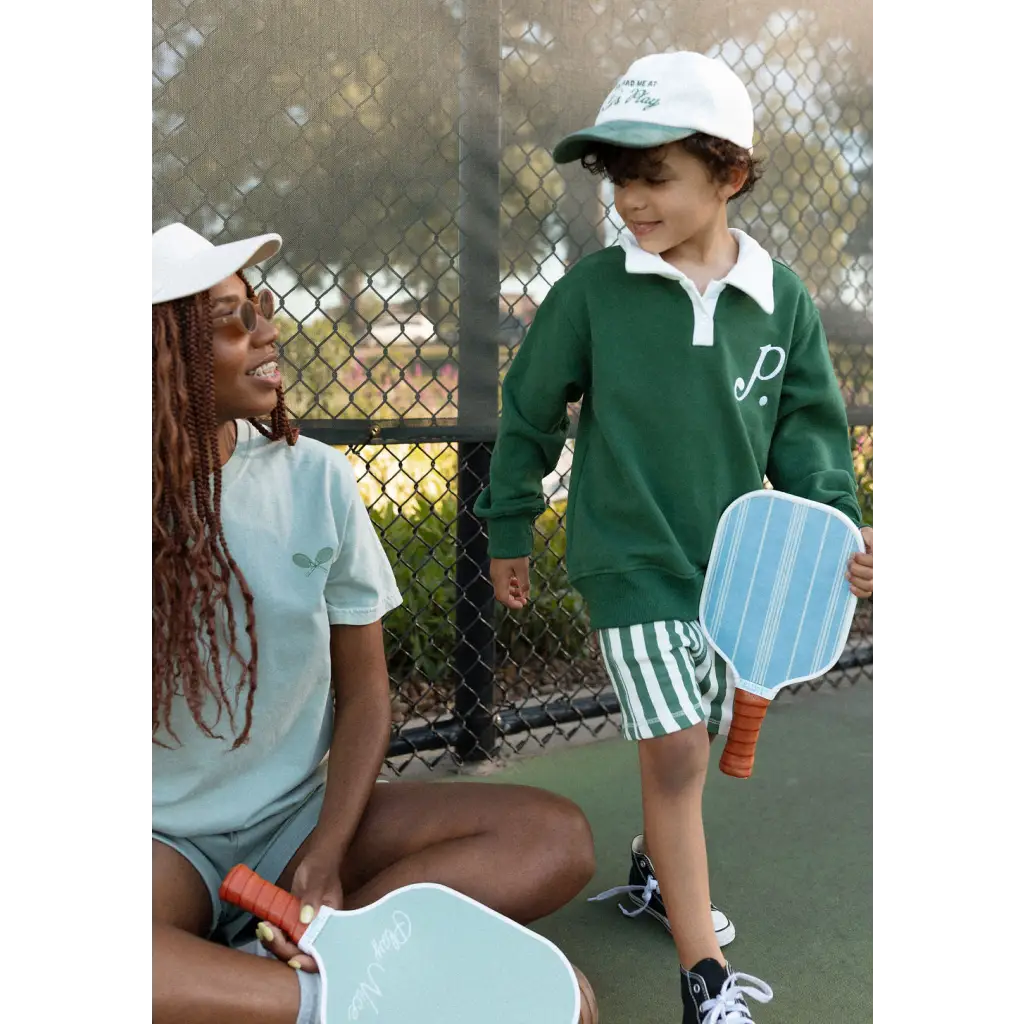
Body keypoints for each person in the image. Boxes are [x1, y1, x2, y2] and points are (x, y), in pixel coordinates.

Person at [474, 51, 875, 1024]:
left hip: (736, 576)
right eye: (616, 175)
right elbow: (528, 410)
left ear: (728, 174)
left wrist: (836, 530)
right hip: (630, 564)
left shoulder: (778, 298)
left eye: (652, 174)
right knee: (679, 760)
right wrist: (510, 523)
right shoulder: (591, 291)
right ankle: (704, 982)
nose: (629, 198)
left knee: (686, 738)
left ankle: (657, 878)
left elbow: (810, 434)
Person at [151, 222, 596, 1024]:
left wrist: (325, 848)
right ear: (163, 354)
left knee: (552, 838)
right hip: (164, 847)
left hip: (299, 821)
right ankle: (331, 993)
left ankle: (317, 953)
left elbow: (365, 696)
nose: (265, 328)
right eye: (229, 318)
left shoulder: (316, 478)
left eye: (260, 305)